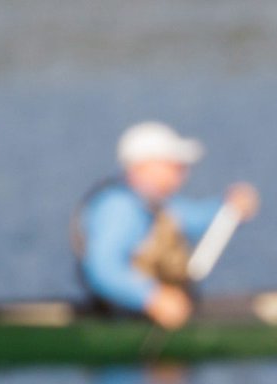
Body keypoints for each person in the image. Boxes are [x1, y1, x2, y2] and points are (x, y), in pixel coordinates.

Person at [75, 121, 259, 329]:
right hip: (122, 316)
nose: (183, 172)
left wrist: (230, 207)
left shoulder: (159, 204)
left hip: (151, 313)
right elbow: (103, 269)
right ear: (143, 166)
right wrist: (152, 298)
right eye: (174, 165)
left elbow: (196, 218)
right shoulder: (119, 209)